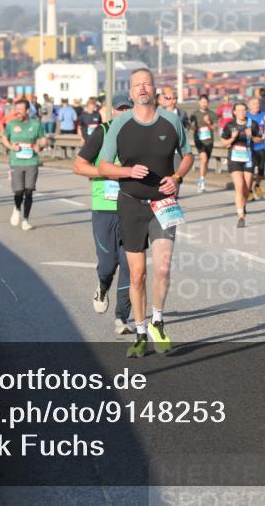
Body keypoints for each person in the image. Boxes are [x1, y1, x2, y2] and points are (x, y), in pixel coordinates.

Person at [98, 68, 193, 358]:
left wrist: (176, 177)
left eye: (146, 84)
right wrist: (127, 171)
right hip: (130, 204)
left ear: (155, 90)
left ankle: (158, 322)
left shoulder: (172, 120)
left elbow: (188, 155)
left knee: (163, 267)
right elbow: (103, 166)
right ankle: (140, 331)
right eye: (136, 85)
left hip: (163, 205)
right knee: (137, 275)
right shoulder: (120, 124)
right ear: (131, 92)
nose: (141, 89)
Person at [73, 95, 135, 335]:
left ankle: (122, 317)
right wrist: (107, 173)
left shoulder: (141, 134)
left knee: (130, 266)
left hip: (132, 209)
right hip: (104, 208)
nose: (124, 112)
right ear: (112, 111)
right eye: (120, 109)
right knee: (108, 264)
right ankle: (102, 286)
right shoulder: (102, 132)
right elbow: (78, 166)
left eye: (128, 109)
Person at [2, 98, 48, 230]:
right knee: (18, 192)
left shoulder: (36, 124)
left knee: (29, 191)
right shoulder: (11, 124)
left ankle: (26, 220)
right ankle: (17, 209)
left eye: (20, 110)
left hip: (31, 161)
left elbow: (43, 139)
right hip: (16, 161)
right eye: (17, 109)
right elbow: (4, 138)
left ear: (27, 111)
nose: (18, 112)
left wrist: (40, 146)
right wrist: (11, 147)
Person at [221, 102, 256, 228]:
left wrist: (252, 136)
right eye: (239, 110)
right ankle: (241, 216)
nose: (241, 112)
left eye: (243, 110)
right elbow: (223, 143)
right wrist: (232, 138)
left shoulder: (252, 124)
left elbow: (259, 139)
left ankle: (243, 204)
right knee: (239, 187)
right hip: (234, 159)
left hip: (248, 159)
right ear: (234, 112)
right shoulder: (230, 125)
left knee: (246, 189)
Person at [189, 95, 218, 193]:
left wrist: (208, 122)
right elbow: (191, 127)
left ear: (208, 103)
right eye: (202, 102)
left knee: (205, 163)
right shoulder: (194, 114)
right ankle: (202, 182)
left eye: (206, 102)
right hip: (199, 140)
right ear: (199, 103)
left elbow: (215, 129)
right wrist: (192, 127)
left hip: (209, 141)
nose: (204, 104)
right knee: (204, 159)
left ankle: (201, 179)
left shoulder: (212, 114)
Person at [246, 96, 265, 200]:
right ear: (249, 106)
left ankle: (257, 185)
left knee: (261, 170)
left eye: (258, 104)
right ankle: (249, 190)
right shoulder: (246, 116)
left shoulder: (263, 114)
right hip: (250, 147)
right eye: (254, 104)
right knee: (250, 171)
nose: (257, 105)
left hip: (261, 146)